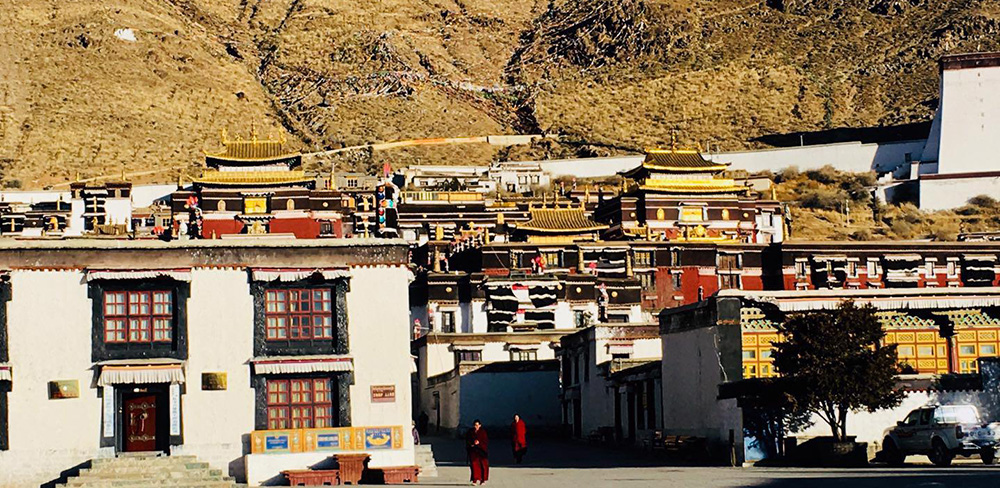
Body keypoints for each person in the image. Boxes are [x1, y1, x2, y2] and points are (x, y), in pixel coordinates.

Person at [465, 419, 489, 485]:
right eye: (475, 425)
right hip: (473, 451)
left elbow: (485, 441)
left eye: (478, 425)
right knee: (474, 465)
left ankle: (483, 480)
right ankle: (475, 479)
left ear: (480, 425)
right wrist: (472, 443)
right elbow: (467, 440)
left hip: (481, 451)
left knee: (483, 465)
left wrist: (479, 442)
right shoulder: (470, 432)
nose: (476, 427)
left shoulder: (483, 432)